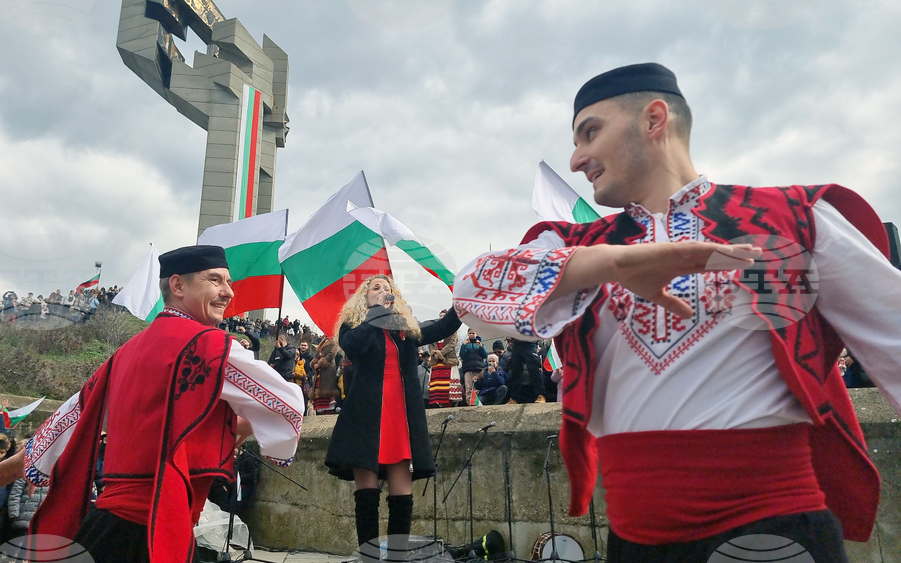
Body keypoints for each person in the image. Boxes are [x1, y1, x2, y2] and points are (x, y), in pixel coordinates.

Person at [453, 62, 901, 561]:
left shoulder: (792, 219)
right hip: (634, 541)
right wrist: (613, 262)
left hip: (774, 531)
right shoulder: (578, 248)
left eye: (590, 132)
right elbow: (469, 291)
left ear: (654, 119)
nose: (577, 159)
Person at [0, 245, 304, 563]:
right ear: (178, 286)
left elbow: (76, 411)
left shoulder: (126, 353)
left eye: (228, 282)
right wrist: (242, 430)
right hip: (152, 533)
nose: (228, 292)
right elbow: (288, 404)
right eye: (215, 280)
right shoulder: (209, 346)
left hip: (106, 528)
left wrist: (27, 459)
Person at [324, 275, 461, 560]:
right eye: (376, 287)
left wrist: (464, 303)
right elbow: (355, 346)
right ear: (364, 296)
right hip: (367, 414)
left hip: (402, 413)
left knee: (402, 494)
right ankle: (369, 558)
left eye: (388, 288)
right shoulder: (354, 326)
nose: (384, 291)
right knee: (367, 493)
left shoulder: (406, 330)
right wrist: (376, 312)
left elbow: (443, 326)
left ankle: (397, 557)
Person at [459, 330, 488, 405]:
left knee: (476, 387)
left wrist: (481, 346)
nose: (471, 335)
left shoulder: (480, 344)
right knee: (468, 386)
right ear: (468, 334)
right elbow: (462, 355)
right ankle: (469, 403)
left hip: (478, 368)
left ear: (476, 334)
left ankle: (477, 403)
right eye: (470, 333)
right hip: (468, 369)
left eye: (473, 333)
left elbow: (485, 355)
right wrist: (464, 345)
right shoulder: (465, 344)